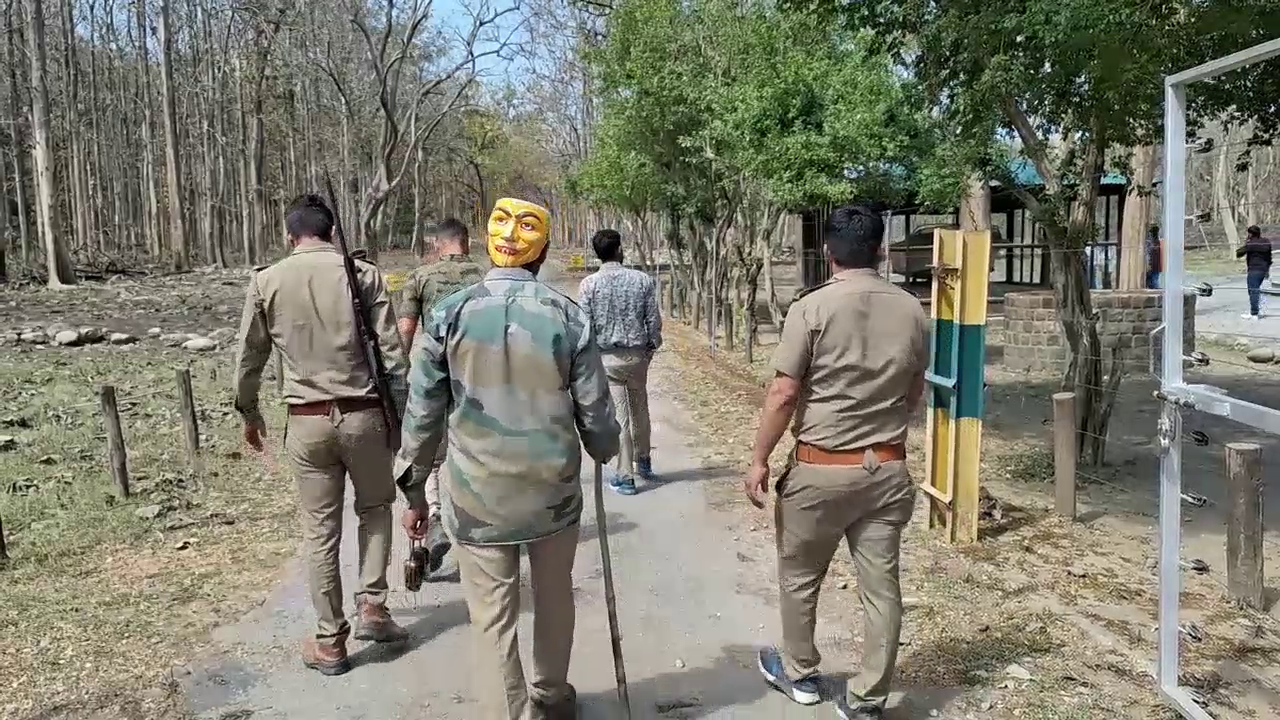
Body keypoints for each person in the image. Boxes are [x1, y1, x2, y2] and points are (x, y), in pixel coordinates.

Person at [394, 197, 620, 720]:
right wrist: (605, 449)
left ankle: (510, 712)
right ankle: (552, 695)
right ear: (540, 256)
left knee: (493, 616)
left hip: (477, 497)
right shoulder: (568, 315)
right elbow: (597, 414)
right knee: (554, 596)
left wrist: (414, 489)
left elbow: (422, 415)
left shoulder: (448, 315)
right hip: (552, 494)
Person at [745, 205, 929, 720]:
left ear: (828, 254)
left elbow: (784, 391)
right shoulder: (913, 310)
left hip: (820, 472)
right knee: (881, 588)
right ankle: (868, 701)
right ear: (883, 251)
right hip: (887, 471)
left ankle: (800, 675)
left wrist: (759, 458)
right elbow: (914, 394)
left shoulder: (811, 308)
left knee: (801, 578)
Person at [233, 194, 410, 677]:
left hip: (307, 423)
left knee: (320, 532)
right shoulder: (364, 274)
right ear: (331, 232)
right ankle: (372, 607)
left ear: (291, 236)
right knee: (375, 510)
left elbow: (250, 358)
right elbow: (393, 357)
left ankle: (331, 641)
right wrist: (404, 417)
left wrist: (249, 412)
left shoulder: (266, 281)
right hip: (365, 416)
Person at [396, 217, 487, 571]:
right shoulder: (485, 278)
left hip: (433, 374)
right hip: (478, 376)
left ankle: (433, 519)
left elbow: (406, 329)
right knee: (476, 449)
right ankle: (479, 523)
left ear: (438, 244)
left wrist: (400, 372)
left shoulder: (421, 277)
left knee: (430, 456)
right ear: (467, 242)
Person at [577, 228, 663, 495]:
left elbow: (585, 325)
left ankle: (626, 476)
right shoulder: (642, 280)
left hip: (607, 358)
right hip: (637, 355)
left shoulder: (589, 285)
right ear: (620, 250)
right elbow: (653, 319)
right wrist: (651, 346)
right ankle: (644, 461)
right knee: (640, 408)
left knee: (621, 416)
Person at [1237, 225, 1272, 320]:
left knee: (1253, 291)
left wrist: (1246, 243)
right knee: (1256, 290)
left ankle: (1254, 313)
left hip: (1254, 270)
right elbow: (1269, 258)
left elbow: (1238, 253)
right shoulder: (1266, 242)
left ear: (1250, 234)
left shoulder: (1250, 244)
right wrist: (1267, 270)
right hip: (1263, 269)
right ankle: (1256, 310)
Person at [1145, 224, 1162, 290]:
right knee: (1154, 278)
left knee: (1154, 278)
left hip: (1153, 264)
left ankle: (1155, 287)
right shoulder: (1155, 241)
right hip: (1154, 264)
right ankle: (1155, 287)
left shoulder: (1153, 242)